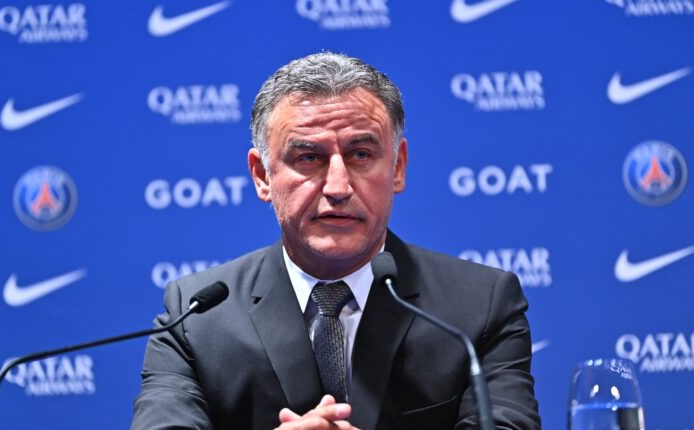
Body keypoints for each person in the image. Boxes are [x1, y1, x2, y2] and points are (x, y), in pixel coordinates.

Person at [132, 52, 541, 430]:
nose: (338, 186)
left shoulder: (479, 307)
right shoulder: (196, 318)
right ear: (262, 176)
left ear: (398, 167)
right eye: (308, 157)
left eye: (361, 154)